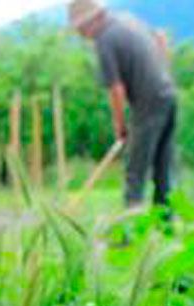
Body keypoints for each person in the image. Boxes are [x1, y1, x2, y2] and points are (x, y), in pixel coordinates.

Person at [70, 0, 177, 211]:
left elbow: (116, 89)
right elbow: (161, 39)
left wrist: (119, 125)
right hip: (168, 94)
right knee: (163, 168)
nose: (82, 35)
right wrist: (163, 74)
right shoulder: (128, 21)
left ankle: (130, 233)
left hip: (147, 102)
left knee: (135, 172)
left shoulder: (104, 40)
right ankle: (166, 229)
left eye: (81, 29)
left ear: (92, 21)